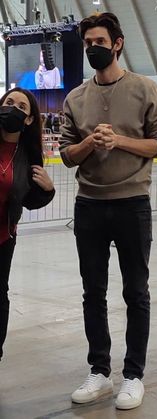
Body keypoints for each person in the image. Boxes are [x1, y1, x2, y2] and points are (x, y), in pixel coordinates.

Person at [59, 12, 157, 410]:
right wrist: (91, 143)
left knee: (135, 292)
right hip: (89, 206)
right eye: (88, 42)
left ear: (118, 43)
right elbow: (67, 154)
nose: (93, 48)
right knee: (93, 293)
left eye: (100, 42)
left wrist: (120, 141)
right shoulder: (75, 97)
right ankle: (99, 372)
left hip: (132, 204)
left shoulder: (146, 89)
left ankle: (134, 375)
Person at [0, 87, 55, 361]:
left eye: (21, 107)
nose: (13, 108)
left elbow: (29, 200)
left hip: (3, 237)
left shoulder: (28, 155)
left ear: (30, 119)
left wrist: (48, 190)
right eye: (9, 102)